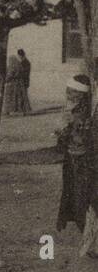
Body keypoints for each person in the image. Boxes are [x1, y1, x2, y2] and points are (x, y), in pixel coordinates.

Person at [55, 74, 98, 259]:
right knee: (82, 202)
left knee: (87, 201)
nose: (69, 97)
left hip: (86, 162)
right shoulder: (78, 110)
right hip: (76, 162)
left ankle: (90, 242)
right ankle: (89, 242)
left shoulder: (84, 112)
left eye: (72, 94)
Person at [5, 49, 32, 115]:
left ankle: (20, 110)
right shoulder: (15, 61)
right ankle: (12, 110)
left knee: (20, 96)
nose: (21, 58)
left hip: (19, 82)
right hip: (16, 82)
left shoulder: (25, 63)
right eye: (20, 57)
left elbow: (25, 74)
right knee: (15, 96)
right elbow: (11, 71)